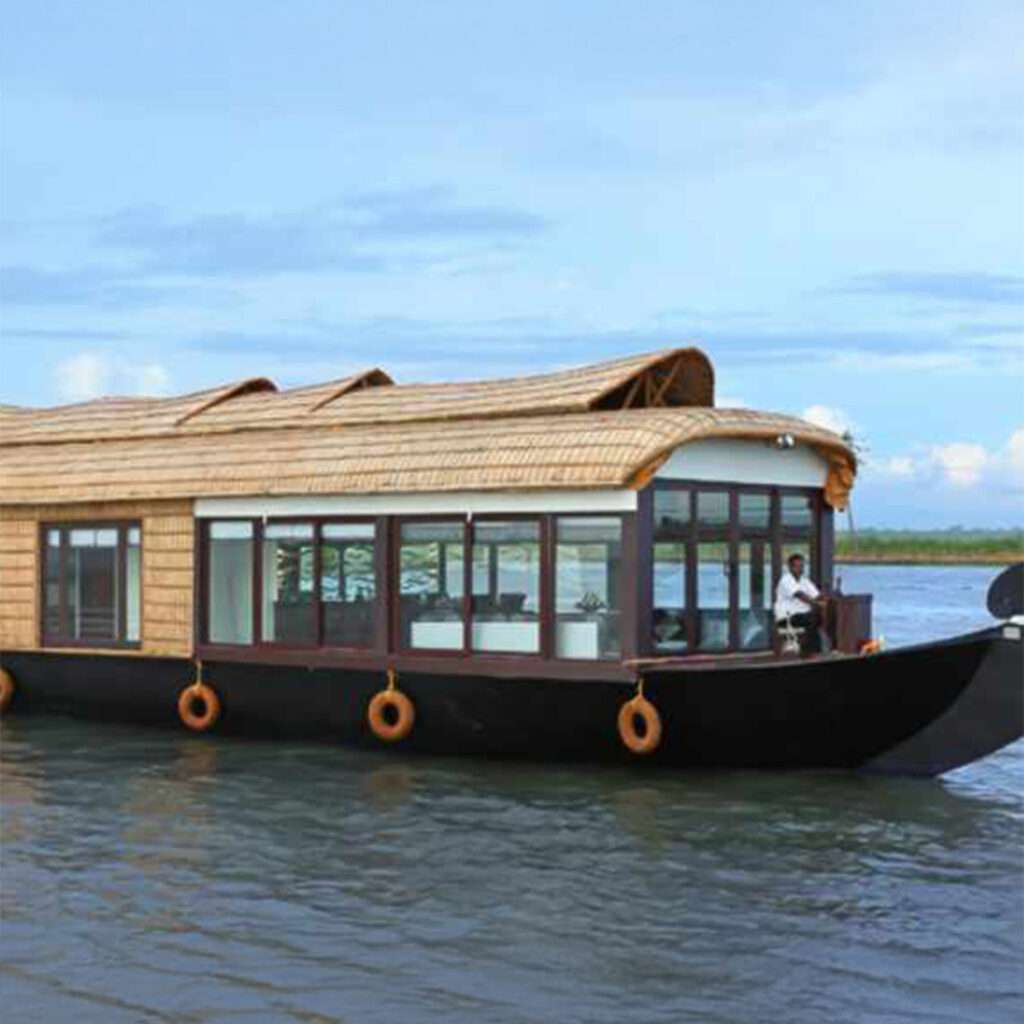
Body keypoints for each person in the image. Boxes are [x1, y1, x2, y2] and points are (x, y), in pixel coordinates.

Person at [774, 553, 825, 655]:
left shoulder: (804, 581)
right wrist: (817, 603)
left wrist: (826, 599)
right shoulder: (786, 580)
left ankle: (816, 650)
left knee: (819, 617)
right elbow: (800, 595)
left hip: (802, 616)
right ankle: (808, 651)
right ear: (790, 567)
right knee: (812, 618)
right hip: (787, 617)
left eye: (802, 566)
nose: (800, 569)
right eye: (797, 566)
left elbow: (817, 595)